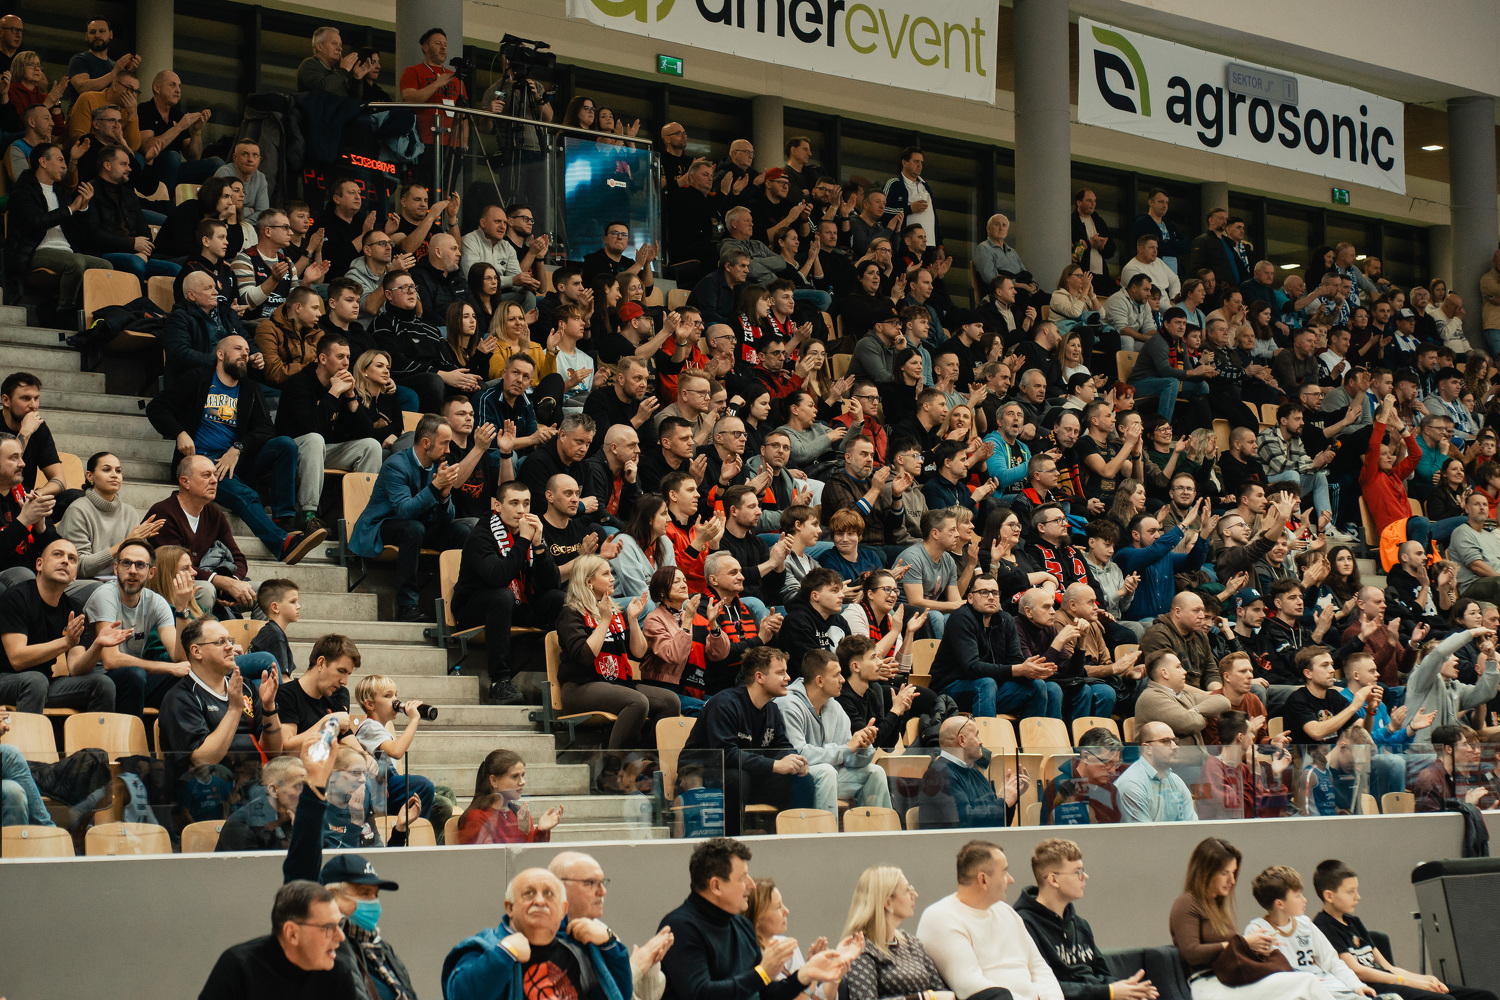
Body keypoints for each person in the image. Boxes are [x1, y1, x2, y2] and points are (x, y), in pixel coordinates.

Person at [145, 334, 327, 565]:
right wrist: (180, 433)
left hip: (236, 458)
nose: (245, 354)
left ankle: (283, 520)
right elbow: (156, 407)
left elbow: (266, 429)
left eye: (247, 351)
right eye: (238, 349)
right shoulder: (198, 379)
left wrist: (238, 448)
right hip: (204, 462)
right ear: (220, 354)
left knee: (285, 445)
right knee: (246, 495)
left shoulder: (249, 388)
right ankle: (283, 544)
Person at [659, 837, 849, 1000]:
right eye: (742, 878)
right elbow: (701, 994)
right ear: (716, 886)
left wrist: (804, 975)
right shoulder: (680, 927)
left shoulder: (741, 925)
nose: (751, 885)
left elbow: (764, 993)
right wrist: (763, 973)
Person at [1170, 837, 1334, 1000]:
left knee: (1299, 989)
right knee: (1307, 982)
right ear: (1205, 872)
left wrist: (1253, 947)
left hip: (1227, 981)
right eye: (1225, 873)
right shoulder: (1186, 903)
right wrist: (1244, 943)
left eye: (1233, 872)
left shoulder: (1216, 906)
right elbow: (1192, 953)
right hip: (1209, 986)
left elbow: (1229, 950)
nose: (1232, 880)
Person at [350, 413, 475, 622]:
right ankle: (407, 605)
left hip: (420, 526)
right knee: (413, 529)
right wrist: (435, 487)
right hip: (381, 526)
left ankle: (462, 604)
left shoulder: (437, 465)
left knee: (462, 532)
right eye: (444, 443)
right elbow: (404, 511)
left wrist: (444, 496)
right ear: (426, 443)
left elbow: (446, 519)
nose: (448, 450)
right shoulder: (396, 465)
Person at [1312, 860, 1497, 1000]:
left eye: (1357, 890)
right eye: (1350, 891)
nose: (1358, 897)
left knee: (1484, 996)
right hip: (1372, 987)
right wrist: (1409, 982)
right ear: (1329, 895)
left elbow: (1388, 967)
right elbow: (1357, 971)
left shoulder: (1354, 922)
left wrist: (1424, 979)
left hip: (1391, 979)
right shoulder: (1323, 927)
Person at [681, 646, 819, 835]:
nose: (788, 678)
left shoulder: (772, 709)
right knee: (738, 778)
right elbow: (725, 755)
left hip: (748, 774)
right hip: (702, 773)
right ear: (759, 677)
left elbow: (782, 746)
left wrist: (795, 761)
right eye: (780, 672)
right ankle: (732, 842)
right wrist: (774, 765)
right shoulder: (724, 705)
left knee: (801, 780)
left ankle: (795, 841)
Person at [442, 866, 634, 1000]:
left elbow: (618, 994)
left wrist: (609, 945)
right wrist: (505, 953)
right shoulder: (486, 948)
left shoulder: (578, 949)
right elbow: (460, 996)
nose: (540, 901)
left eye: (548, 894)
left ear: (563, 909)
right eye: (529, 893)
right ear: (510, 907)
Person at [557, 553, 679, 747]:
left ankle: (650, 758)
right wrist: (604, 620)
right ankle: (615, 763)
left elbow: (638, 654)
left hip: (618, 683)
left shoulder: (616, 612)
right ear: (589, 582)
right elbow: (584, 656)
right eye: (606, 574)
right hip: (580, 686)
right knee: (637, 702)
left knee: (670, 701)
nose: (612, 578)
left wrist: (633, 620)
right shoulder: (571, 613)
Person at [916, 840, 1064, 1000]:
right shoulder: (941, 917)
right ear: (983, 880)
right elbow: (970, 987)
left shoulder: (1006, 912)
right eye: (1004, 872)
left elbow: (1039, 967)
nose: (1011, 879)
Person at [1017, 839, 1160, 1000]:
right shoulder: (1023, 925)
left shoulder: (1080, 925)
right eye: (1077, 872)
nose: (1085, 876)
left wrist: (1131, 989)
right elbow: (1041, 988)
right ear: (1053, 880)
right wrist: (1109, 992)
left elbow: (1102, 975)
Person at [0, 537, 126, 713]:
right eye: (58, 555)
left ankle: (92, 733)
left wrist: (97, 646)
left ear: (74, 576)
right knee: (35, 681)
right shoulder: (16, 598)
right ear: (39, 564)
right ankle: (25, 733)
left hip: (43, 683)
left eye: (72, 559)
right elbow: (17, 659)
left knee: (103, 684)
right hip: (6, 680)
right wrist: (65, 642)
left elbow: (76, 668)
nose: (65, 561)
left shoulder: (73, 609)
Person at [158, 615, 283, 780]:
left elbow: (274, 751)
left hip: (256, 781)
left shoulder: (245, 687)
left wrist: (269, 707)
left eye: (230, 640)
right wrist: (234, 709)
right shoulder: (181, 698)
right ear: (196, 651)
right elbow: (202, 761)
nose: (230, 647)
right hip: (210, 786)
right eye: (220, 642)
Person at [198, 881, 364, 998]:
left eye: (339, 924)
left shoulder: (337, 972)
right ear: (292, 934)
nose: (341, 936)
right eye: (328, 928)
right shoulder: (238, 967)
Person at [550, 851, 677, 1000]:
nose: (602, 891)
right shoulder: (545, 939)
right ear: (558, 887)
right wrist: (635, 967)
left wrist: (650, 965)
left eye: (602, 883)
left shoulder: (601, 931)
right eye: (591, 883)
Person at [932, 572, 1059, 719]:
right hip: (952, 688)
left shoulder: (1006, 620)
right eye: (984, 592)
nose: (991, 597)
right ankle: (986, 733)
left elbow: (1015, 660)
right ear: (970, 598)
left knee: (1041, 686)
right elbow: (972, 668)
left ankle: (1032, 733)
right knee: (986, 684)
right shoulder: (960, 619)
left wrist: (1031, 671)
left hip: (993, 688)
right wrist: (1018, 670)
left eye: (995, 593)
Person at [777, 648, 888, 808]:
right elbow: (799, 754)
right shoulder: (788, 706)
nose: (842, 680)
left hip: (830, 775)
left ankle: (879, 824)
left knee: (875, 772)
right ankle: (825, 825)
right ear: (820, 681)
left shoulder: (835, 707)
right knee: (826, 771)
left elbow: (847, 757)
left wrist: (862, 748)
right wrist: (846, 749)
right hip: (797, 777)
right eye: (836, 675)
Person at [7, 142, 108, 315]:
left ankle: (90, 313)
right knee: (76, 263)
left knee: (105, 266)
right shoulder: (23, 191)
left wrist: (83, 207)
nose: (64, 166)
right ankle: (64, 311)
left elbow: (76, 232)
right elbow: (37, 222)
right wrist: (70, 209)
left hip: (66, 251)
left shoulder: (60, 192)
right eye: (60, 160)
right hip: (35, 251)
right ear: (43, 162)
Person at [1244, 866, 1372, 1000]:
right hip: (1295, 993)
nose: (1304, 899)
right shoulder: (1257, 930)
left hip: (1328, 988)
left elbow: (1333, 962)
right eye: (1297, 895)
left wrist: (1357, 985)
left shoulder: (1305, 924)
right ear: (1280, 904)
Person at [840, 865, 951, 1000]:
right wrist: (923, 997)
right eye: (907, 890)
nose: (914, 895)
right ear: (887, 903)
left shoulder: (911, 943)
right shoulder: (860, 949)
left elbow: (943, 993)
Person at [918, 716, 1023, 830]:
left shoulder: (975, 773)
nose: (981, 742)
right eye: (976, 735)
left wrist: (1009, 799)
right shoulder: (939, 775)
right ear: (962, 740)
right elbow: (966, 822)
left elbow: (995, 823)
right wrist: (1004, 803)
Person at [456, 749, 563, 844]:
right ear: (494, 780)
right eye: (515, 776)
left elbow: (532, 854)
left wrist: (541, 830)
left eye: (522, 775)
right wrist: (522, 832)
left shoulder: (518, 812)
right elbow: (493, 858)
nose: (523, 782)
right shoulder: (477, 817)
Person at [1133, 649, 1232, 747]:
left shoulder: (1185, 694)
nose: (1184, 671)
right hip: (1173, 757)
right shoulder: (1151, 697)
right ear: (1164, 673)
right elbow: (1191, 723)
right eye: (1178, 667)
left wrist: (1195, 710)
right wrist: (1205, 715)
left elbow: (1224, 702)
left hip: (1198, 757)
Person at [1115, 721, 1196, 823]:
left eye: (1175, 741)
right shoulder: (1131, 784)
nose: (1175, 746)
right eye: (1165, 741)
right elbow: (1143, 832)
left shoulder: (1176, 781)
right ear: (1148, 748)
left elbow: (1192, 826)